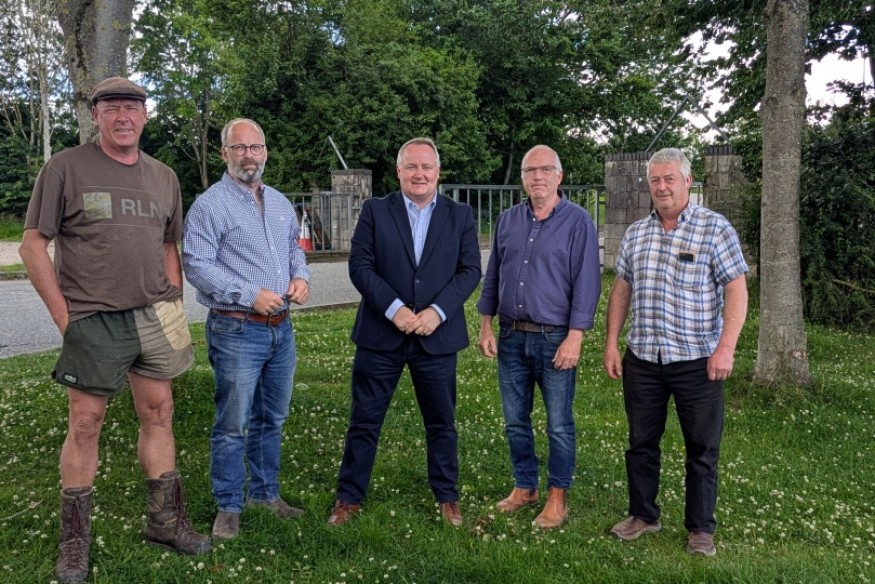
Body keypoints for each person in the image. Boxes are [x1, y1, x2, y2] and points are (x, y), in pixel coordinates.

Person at [18, 77, 211, 584]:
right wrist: (65, 318)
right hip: (93, 316)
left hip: (154, 316)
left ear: (145, 116)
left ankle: (165, 522)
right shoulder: (65, 168)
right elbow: (32, 245)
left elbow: (169, 246)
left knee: (159, 412)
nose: (123, 117)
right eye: (112, 108)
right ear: (96, 116)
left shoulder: (164, 176)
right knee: (86, 422)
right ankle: (75, 542)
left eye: (132, 108)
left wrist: (174, 301)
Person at [327, 137, 481, 527]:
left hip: (436, 337)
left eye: (426, 166)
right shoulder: (375, 211)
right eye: (411, 166)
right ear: (398, 171)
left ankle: (448, 496)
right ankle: (348, 498)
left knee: (441, 423)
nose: (419, 173)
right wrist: (394, 309)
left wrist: (437, 312)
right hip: (381, 335)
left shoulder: (460, 215)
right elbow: (360, 266)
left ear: (438, 172)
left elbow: (470, 271)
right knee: (364, 421)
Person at [603, 148, 748, 556]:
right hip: (643, 358)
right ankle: (643, 515)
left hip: (697, 360)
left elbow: (736, 290)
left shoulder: (714, 228)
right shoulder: (636, 233)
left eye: (670, 179)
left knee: (701, 447)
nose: (662, 187)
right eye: (655, 180)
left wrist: (726, 348)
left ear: (688, 181)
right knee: (641, 442)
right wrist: (612, 343)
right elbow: (621, 290)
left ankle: (700, 528)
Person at [182, 118, 311, 541]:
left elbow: (294, 250)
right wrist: (249, 294)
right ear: (225, 153)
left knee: (271, 417)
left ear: (265, 152)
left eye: (255, 147)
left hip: (281, 330)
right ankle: (228, 505)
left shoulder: (279, 202)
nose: (248, 155)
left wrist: (301, 277)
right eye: (239, 148)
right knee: (233, 423)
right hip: (237, 329)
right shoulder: (210, 206)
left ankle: (265, 494)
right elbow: (196, 265)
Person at [476, 145, 601, 529]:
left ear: (559, 176)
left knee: (558, 423)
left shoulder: (578, 222)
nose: (538, 177)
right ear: (523, 178)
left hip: (555, 339)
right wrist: (485, 324)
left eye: (546, 169)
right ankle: (524, 486)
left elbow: (587, 283)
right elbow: (494, 274)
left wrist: (575, 337)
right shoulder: (508, 220)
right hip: (511, 336)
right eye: (531, 170)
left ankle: (557, 497)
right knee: (515, 420)